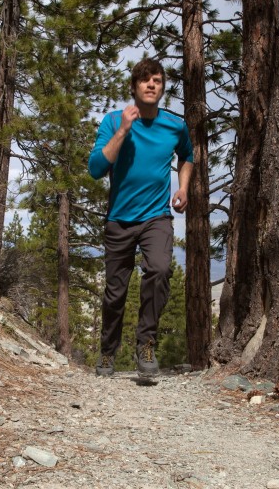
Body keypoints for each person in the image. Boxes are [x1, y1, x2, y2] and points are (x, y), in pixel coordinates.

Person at [87, 58, 194, 378]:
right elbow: (96, 169)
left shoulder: (174, 125)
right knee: (115, 292)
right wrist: (122, 131)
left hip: (156, 217)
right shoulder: (113, 121)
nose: (151, 84)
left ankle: (146, 344)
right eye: (145, 80)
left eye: (157, 80)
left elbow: (187, 156)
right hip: (119, 219)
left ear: (162, 88)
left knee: (160, 269)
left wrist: (184, 187)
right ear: (134, 87)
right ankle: (107, 353)